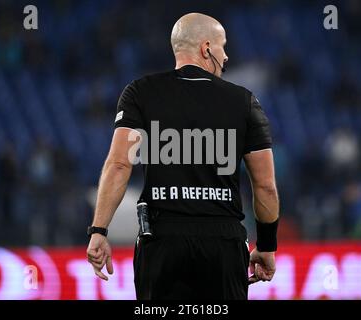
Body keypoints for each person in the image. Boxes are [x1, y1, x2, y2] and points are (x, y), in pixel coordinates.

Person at [86, 13, 279, 300]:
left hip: (162, 242)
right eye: (222, 46)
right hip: (222, 244)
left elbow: (119, 163)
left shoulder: (140, 93)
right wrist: (265, 246)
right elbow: (265, 186)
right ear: (206, 48)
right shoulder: (244, 102)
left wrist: (99, 230)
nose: (225, 56)